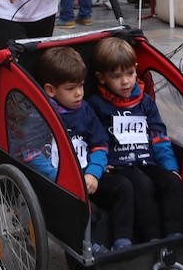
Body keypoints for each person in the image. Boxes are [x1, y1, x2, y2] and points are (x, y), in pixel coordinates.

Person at [31, 46, 134, 253]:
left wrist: (94, 173)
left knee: (123, 186)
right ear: (51, 90)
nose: (79, 93)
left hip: (88, 175)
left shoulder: (85, 109)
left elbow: (100, 144)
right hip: (61, 181)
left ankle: (123, 241)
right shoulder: (39, 116)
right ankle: (89, 247)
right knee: (78, 207)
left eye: (81, 86)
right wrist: (66, 179)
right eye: (71, 88)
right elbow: (32, 155)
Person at [88, 37, 183, 241]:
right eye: (116, 76)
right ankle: (152, 239)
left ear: (136, 69)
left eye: (130, 73)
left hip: (146, 161)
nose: (125, 81)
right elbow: (92, 138)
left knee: (172, 183)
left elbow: (159, 136)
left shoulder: (146, 102)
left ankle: (174, 236)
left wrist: (171, 168)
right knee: (142, 185)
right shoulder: (96, 105)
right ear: (101, 78)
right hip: (119, 166)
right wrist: (97, 163)